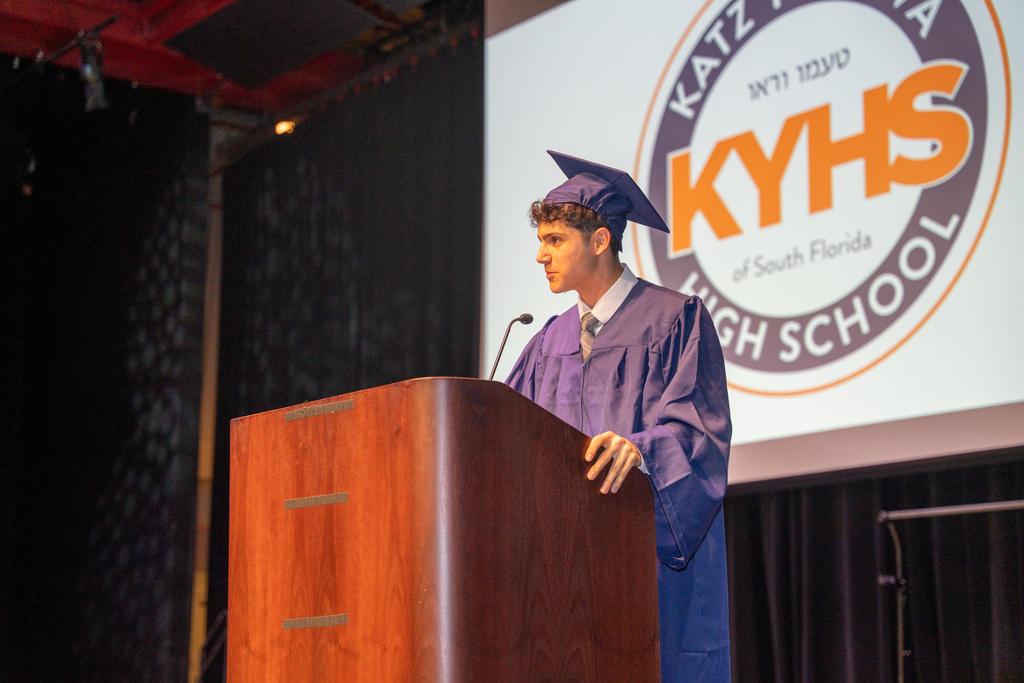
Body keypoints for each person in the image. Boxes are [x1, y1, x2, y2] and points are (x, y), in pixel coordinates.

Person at [505, 151, 732, 682]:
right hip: (562, 575)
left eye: (554, 240)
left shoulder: (676, 320)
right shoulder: (546, 343)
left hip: (649, 568)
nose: (540, 255)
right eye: (541, 241)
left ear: (600, 240)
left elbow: (699, 431)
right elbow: (509, 438)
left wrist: (643, 451)